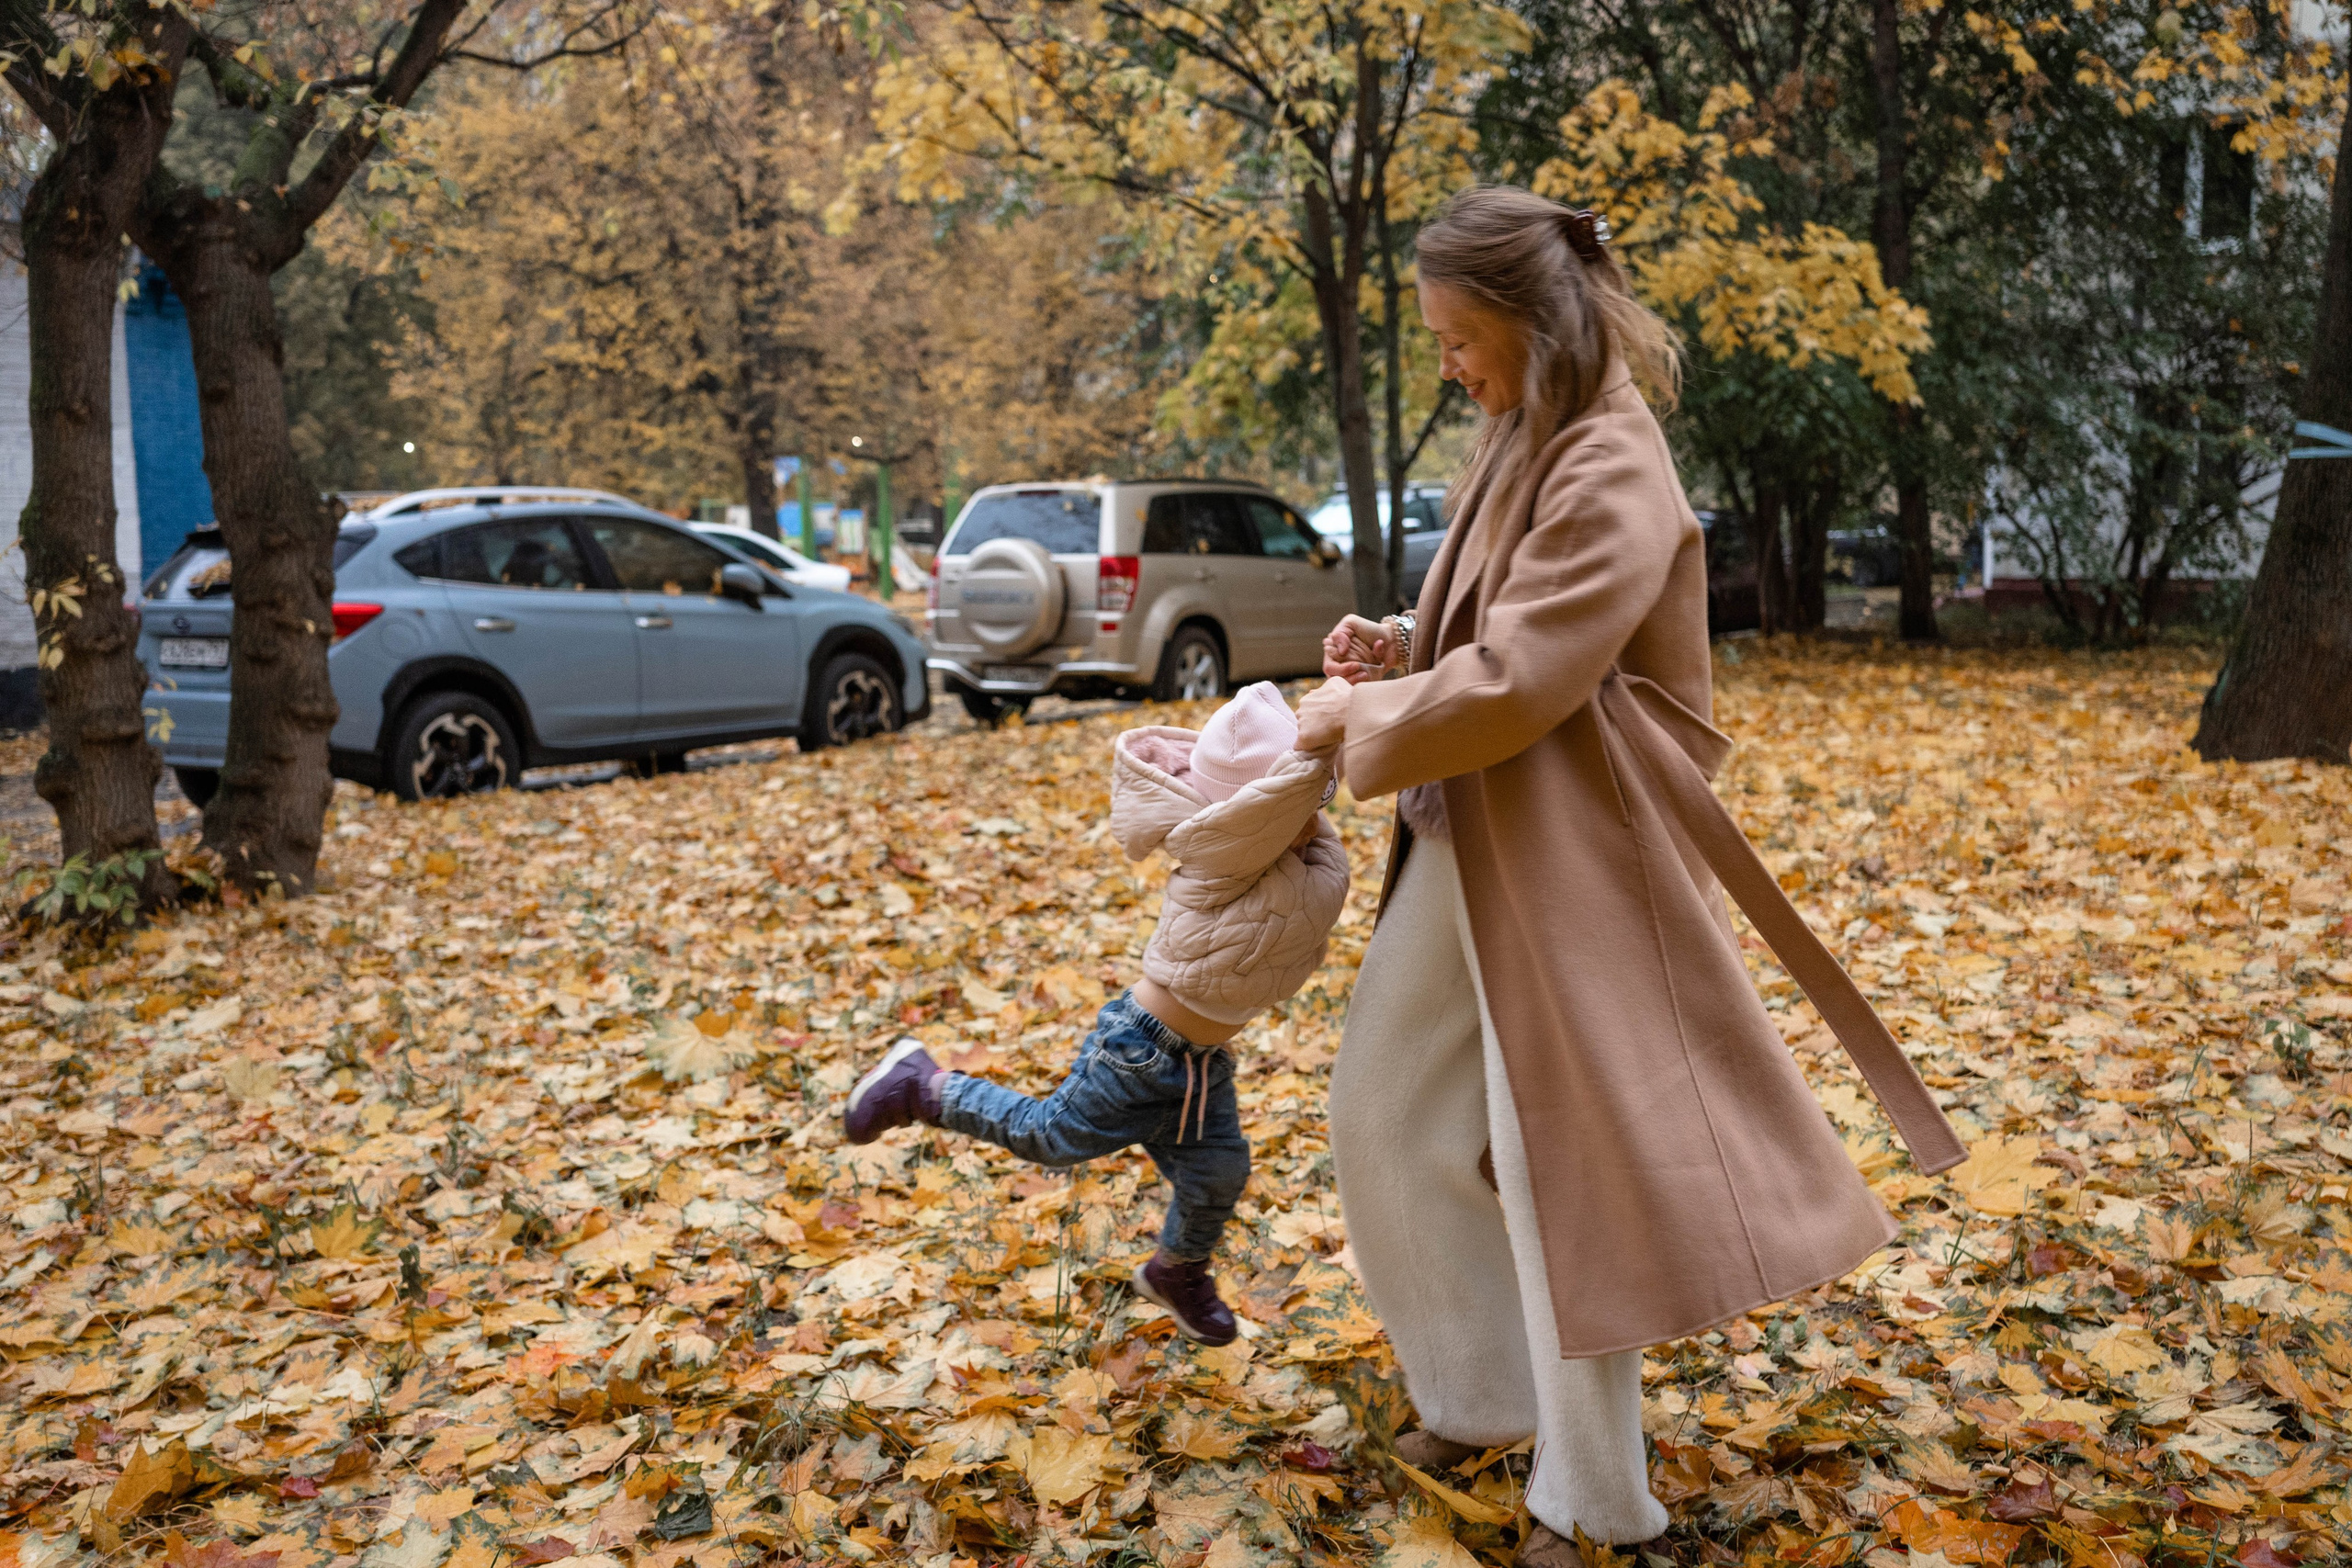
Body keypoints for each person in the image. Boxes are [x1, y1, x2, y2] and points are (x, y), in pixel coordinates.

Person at [1294, 186, 1964, 1561]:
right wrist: (1399, 645)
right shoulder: (1518, 433)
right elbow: (1489, 627)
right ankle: (1480, 1394)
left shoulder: (1616, 459)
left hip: (1582, 850)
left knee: (1560, 1166)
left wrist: (1366, 720)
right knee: (1381, 1106)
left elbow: (1537, 666)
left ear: (1536, 327)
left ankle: (1601, 1504)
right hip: (1472, 819)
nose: (1450, 366)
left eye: (1462, 337)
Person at [842, 682, 1350, 1345]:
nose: (1315, 814)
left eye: (1320, 801)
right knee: (1051, 1136)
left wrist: (1338, 731)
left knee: (1219, 1169)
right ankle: (923, 1085)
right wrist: (1311, 758)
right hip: (1140, 1051)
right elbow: (1266, 811)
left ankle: (1177, 1271)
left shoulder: (1295, 846)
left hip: (1199, 1065)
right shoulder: (1216, 849)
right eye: (1300, 798)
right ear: (1253, 804)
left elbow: (1325, 852)